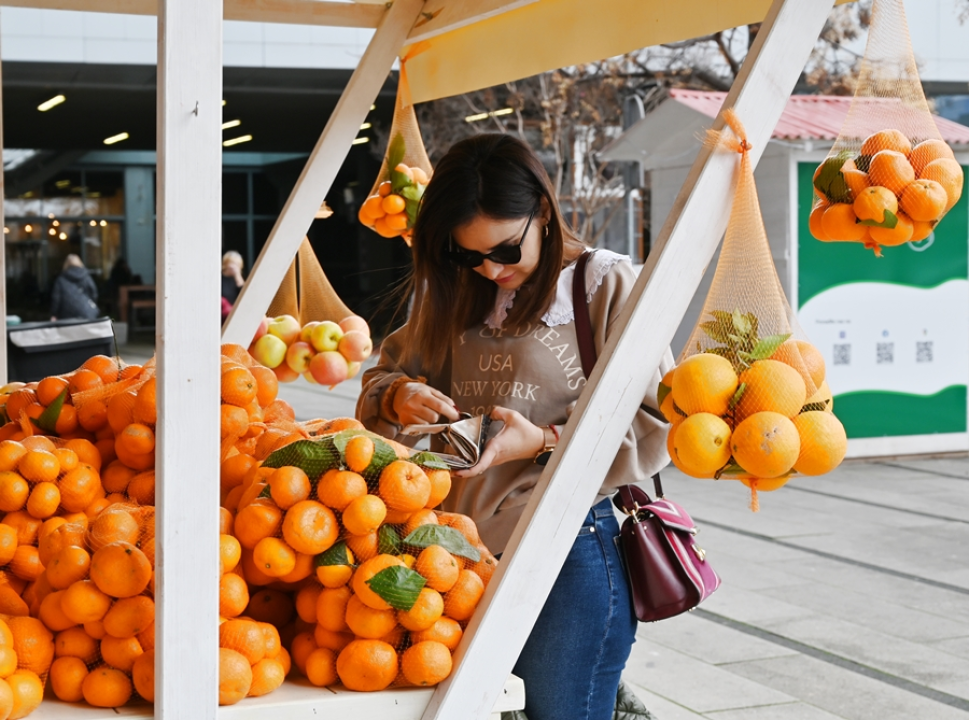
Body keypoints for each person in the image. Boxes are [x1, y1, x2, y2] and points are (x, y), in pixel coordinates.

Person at [357, 134, 670, 720]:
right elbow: (384, 376)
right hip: (451, 554)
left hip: (566, 547)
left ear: (543, 213)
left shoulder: (601, 285)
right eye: (468, 255)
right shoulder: (456, 291)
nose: (491, 269)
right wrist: (400, 396)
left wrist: (545, 442)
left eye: (504, 249)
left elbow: (655, 420)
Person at [50, 254, 99, 321]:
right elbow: (94, 294)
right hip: (86, 313)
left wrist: (54, 314)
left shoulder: (61, 279)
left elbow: (56, 299)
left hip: (66, 316)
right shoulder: (86, 277)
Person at [222, 251, 245, 322]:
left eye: (237, 264)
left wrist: (237, 275)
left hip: (235, 316)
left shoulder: (239, 280)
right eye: (232, 263)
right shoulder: (219, 279)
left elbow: (244, 294)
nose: (234, 267)